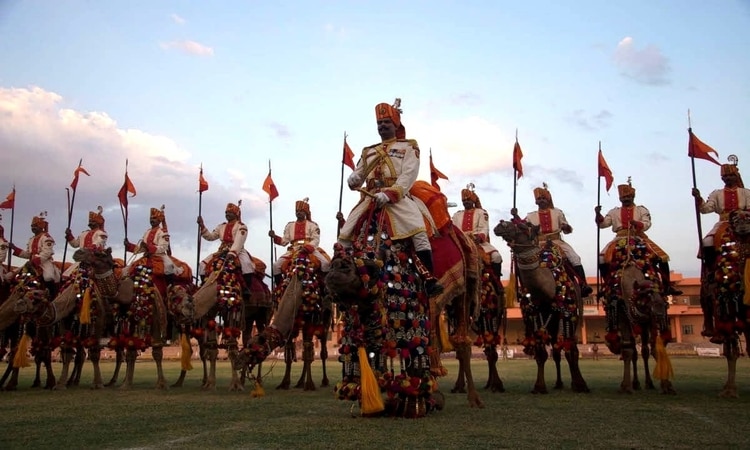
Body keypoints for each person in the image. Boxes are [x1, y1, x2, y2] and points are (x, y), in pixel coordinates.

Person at [336, 99, 442, 297]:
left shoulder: (409, 147)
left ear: (396, 125)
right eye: (379, 123)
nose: (382, 126)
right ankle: (338, 279)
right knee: (345, 237)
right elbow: (360, 173)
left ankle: (429, 280)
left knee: (419, 232)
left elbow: (408, 175)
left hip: (398, 199)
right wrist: (354, 179)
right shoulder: (369, 151)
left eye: (386, 122)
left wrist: (390, 194)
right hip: (370, 199)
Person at [595, 180, 682, 296]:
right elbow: (603, 224)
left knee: (663, 258)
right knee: (601, 258)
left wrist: (638, 224)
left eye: (628, 197)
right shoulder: (614, 212)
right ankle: (606, 286)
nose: (625, 199)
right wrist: (598, 215)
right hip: (619, 238)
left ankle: (667, 286)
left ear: (633, 197)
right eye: (623, 197)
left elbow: (647, 223)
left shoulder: (641, 210)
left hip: (638, 237)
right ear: (620, 199)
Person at [512, 184, 592, 297]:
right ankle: (523, 288)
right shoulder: (531, 215)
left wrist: (565, 227)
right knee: (522, 260)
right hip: (538, 244)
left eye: (543, 198)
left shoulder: (557, 213)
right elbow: (523, 227)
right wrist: (516, 217)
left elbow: (567, 228)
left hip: (557, 241)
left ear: (548, 199)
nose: (541, 201)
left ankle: (583, 284)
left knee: (574, 258)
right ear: (536, 201)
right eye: (539, 199)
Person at [691, 162, 750, 268]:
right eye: (725, 176)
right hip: (723, 224)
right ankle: (711, 272)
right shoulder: (716, 194)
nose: (728, 178)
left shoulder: (746, 192)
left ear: (736, 176)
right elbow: (705, 209)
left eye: (730, 175)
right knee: (707, 242)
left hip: (743, 222)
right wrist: (698, 198)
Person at [269, 197, 331, 285]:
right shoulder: (290, 226)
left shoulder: (312, 225)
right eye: (297, 211)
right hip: (293, 250)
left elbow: (316, 239)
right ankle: (279, 288)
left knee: (325, 263)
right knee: (276, 266)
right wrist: (274, 236)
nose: (298, 213)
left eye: (301, 211)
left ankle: (325, 287)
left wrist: (307, 247)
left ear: (305, 213)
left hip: (309, 248)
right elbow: (284, 242)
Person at [198, 201, 255, 286]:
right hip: (222, 250)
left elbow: (239, 241)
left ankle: (246, 289)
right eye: (226, 212)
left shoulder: (242, 226)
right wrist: (202, 225)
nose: (227, 214)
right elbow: (211, 237)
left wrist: (232, 253)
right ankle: (204, 285)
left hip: (238, 251)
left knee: (247, 265)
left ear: (236, 214)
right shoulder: (221, 226)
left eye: (230, 212)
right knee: (203, 265)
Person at [451, 185, 503, 279]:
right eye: (464, 201)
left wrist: (479, 237)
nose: (466, 202)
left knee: (496, 257)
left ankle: (497, 282)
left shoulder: (481, 212)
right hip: (461, 243)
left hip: (479, 242)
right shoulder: (457, 215)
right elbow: (453, 229)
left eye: (468, 200)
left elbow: (484, 228)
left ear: (473, 201)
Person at [9, 212, 61, 296]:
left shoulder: (47, 238)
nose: (33, 228)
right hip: (31, 263)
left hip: (44, 262)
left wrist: (34, 261)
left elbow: (46, 253)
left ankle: (51, 296)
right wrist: (15, 248)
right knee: (12, 276)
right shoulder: (31, 239)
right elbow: (28, 254)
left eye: (35, 226)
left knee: (48, 277)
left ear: (40, 227)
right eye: (32, 226)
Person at [63, 206, 108, 278]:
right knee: (68, 275)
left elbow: (97, 243)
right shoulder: (83, 233)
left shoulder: (102, 233)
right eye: (90, 221)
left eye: (93, 221)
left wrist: (87, 250)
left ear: (97, 222)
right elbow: (75, 244)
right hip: (81, 259)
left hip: (95, 260)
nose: (90, 222)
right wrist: (69, 235)